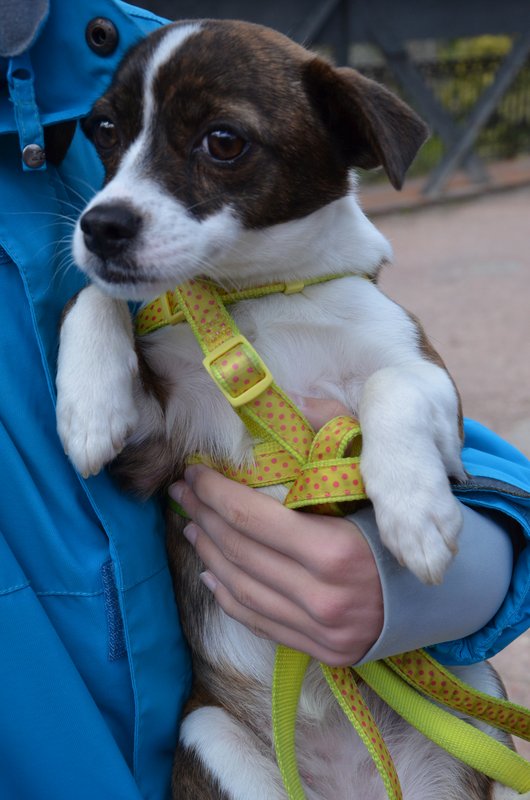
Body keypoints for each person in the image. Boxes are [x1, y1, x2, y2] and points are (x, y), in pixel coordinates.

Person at [1, 1, 529, 797]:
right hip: (245, 727)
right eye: (114, 137)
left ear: (348, 145)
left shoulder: (353, 305)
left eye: (221, 145)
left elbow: (435, 407)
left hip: (407, 714)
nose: (120, 196)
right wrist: (95, 319)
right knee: (204, 729)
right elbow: (131, 450)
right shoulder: (161, 317)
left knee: (483, 692)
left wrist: (446, 574)